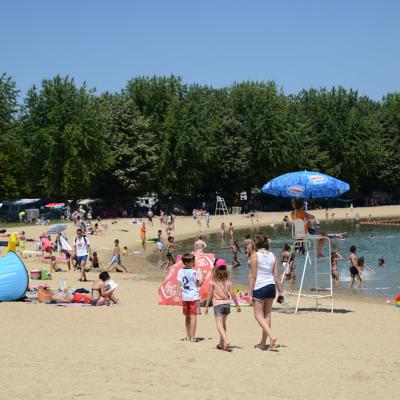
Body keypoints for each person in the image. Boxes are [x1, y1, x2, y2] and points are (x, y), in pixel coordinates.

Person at [249, 233, 283, 351]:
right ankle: (264, 343)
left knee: (258, 315)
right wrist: (281, 291)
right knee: (267, 315)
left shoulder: (255, 255)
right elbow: (276, 275)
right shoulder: (273, 255)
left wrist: (249, 292)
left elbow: (253, 276)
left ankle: (272, 337)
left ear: (256, 243)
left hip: (260, 286)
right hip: (271, 286)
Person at [205, 258, 241, 351]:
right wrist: (237, 305)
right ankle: (221, 344)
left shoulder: (213, 281)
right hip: (227, 305)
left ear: (215, 269)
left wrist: (206, 306)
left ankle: (226, 341)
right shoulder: (228, 281)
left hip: (218, 305)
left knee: (219, 325)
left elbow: (210, 294)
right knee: (223, 324)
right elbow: (232, 293)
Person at [174, 253, 205, 342]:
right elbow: (199, 284)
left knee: (187, 317)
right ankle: (193, 337)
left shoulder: (180, 271)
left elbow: (179, 283)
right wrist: (203, 276)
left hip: (185, 297)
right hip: (193, 297)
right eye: (193, 261)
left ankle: (188, 336)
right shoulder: (193, 272)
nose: (194, 262)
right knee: (193, 317)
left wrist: (176, 295)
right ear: (187, 263)